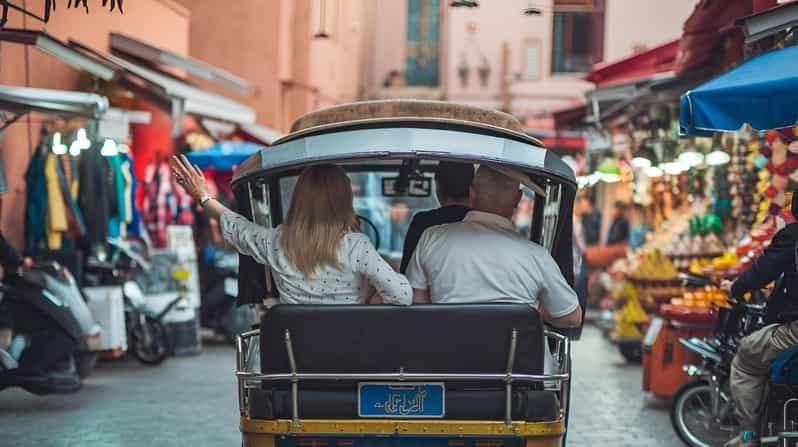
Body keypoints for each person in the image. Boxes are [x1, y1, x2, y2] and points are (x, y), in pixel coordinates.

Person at [170, 155, 412, 306]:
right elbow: (402, 296)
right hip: (353, 356)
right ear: (343, 201)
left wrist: (202, 196)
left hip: (296, 359)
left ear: (299, 198)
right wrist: (372, 295)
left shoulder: (277, 241)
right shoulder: (357, 246)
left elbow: (237, 226)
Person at [405, 165, 582, 329]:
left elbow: (416, 303)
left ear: (472, 193)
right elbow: (572, 317)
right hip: (516, 362)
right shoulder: (537, 256)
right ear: (518, 199)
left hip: (446, 359)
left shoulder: (431, 238)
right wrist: (533, 310)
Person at [721, 207, 798, 447]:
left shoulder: (792, 236)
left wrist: (735, 288)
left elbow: (764, 268)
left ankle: (748, 437)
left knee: (746, 359)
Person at [399, 161, 474, 273]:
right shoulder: (487, 223)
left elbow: (407, 272)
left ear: (437, 187)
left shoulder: (422, 222)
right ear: (472, 189)